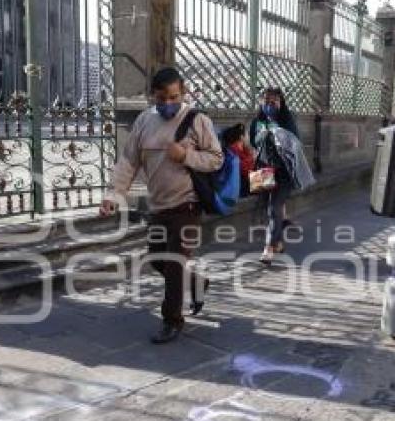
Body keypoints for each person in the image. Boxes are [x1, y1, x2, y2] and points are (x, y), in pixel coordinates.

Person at [100, 67, 223, 345]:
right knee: (157, 258)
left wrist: (187, 156)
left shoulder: (197, 120)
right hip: (158, 206)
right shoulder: (144, 120)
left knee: (175, 262)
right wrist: (113, 195)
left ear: (183, 92)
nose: (168, 103)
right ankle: (197, 283)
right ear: (152, 96)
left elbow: (216, 159)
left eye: (173, 97)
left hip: (187, 205)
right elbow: (128, 161)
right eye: (161, 98)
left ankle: (172, 320)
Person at [249, 88, 299, 262]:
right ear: (261, 102)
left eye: (274, 102)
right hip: (263, 168)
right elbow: (252, 142)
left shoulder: (287, 119)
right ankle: (278, 243)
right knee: (267, 208)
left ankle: (268, 247)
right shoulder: (257, 121)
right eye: (266, 102)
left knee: (274, 207)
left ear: (280, 103)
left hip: (284, 171)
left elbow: (295, 142)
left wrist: (278, 136)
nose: (270, 105)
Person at [220, 123, 256, 197]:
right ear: (241, 137)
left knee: (274, 179)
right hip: (241, 187)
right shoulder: (233, 151)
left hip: (248, 182)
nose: (249, 138)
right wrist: (253, 157)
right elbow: (245, 170)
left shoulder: (244, 150)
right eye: (247, 135)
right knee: (272, 180)